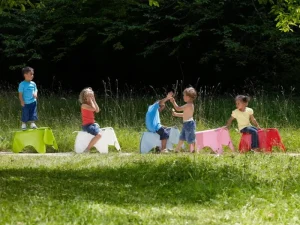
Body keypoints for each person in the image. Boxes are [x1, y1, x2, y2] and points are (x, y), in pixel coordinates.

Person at [170, 87, 197, 153]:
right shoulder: (189, 105)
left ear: (188, 97)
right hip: (186, 124)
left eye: (184, 95)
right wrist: (176, 114)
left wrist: (173, 102)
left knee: (191, 138)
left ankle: (195, 150)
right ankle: (177, 150)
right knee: (182, 137)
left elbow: (178, 108)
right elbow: (184, 115)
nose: (183, 97)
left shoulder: (189, 105)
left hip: (189, 124)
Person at [79, 87, 101, 153]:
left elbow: (97, 110)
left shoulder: (90, 104)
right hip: (87, 125)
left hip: (92, 124)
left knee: (99, 129)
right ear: (85, 97)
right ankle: (87, 149)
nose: (91, 97)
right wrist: (92, 100)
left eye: (92, 95)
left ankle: (97, 147)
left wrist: (94, 100)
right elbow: (93, 109)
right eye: (89, 96)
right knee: (99, 135)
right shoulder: (84, 105)